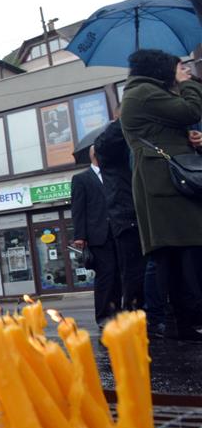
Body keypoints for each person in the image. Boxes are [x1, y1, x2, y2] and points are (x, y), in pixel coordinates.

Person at [119, 49, 202, 342]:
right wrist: (187, 83)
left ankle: (176, 321)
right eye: (178, 67)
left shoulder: (143, 92)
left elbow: (168, 127)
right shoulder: (145, 93)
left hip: (165, 183)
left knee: (175, 254)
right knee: (167, 255)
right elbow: (191, 110)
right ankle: (160, 322)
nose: (182, 70)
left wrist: (188, 139)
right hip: (163, 187)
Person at [93, 108, 147, 315]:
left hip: (144, 212)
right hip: (126, 217)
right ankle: (133, 316)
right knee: (133, 271)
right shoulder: (109, 144)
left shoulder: (135, 142)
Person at [71, 145, 122, 327]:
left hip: (118, 232)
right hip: (98, 236)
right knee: (106, 276)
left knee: (119, 275)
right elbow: (78, 209)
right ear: (95, 156)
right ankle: (104, 316)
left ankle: (118, 313)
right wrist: (80, 236)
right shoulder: (81, 179)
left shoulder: (114, 176)